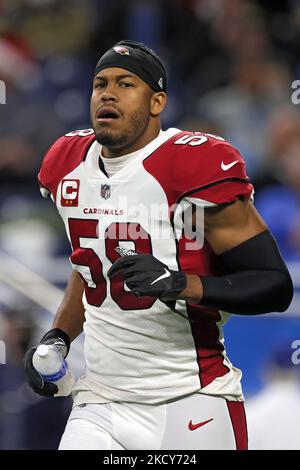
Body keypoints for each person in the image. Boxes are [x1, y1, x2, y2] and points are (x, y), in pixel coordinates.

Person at [23, 40, 293, 450]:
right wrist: (59, 335)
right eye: (100, 84)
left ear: (157, 102)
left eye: (126, 83)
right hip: (101, 402)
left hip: (190, 400)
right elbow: (89, 267)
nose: (108, 93)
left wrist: (178, 283)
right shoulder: (67, 162)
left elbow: (273, 285)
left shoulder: (192, 164)